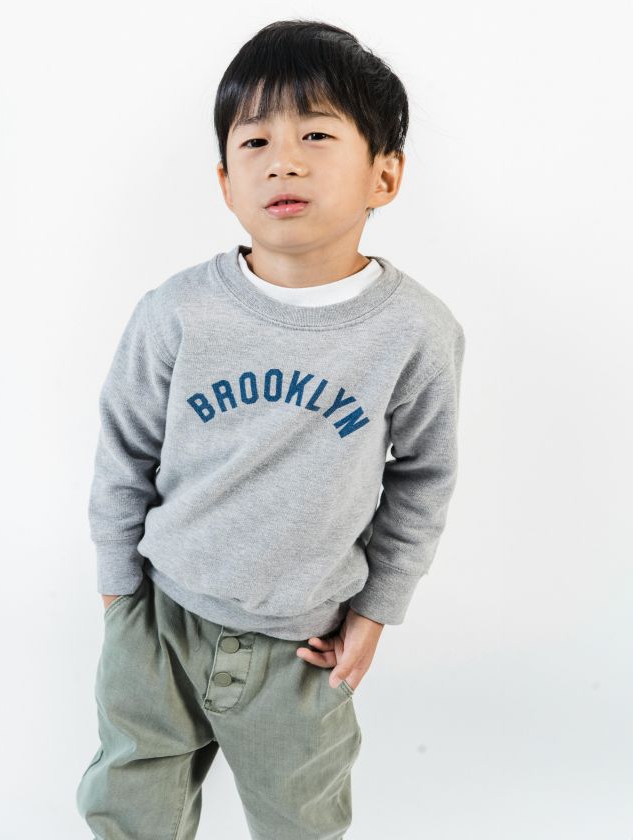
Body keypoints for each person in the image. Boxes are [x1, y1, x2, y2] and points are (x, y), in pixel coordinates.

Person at [76, 18, 465, 840]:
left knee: (302, 822)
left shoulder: (414, 332)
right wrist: (118, 600)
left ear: (385, 174)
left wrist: (376, 611)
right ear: (225, 183)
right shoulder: (178, 312)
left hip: (302, 646)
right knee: (130, 812)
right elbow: (124, 452)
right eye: (254, 142)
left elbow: (423, 478)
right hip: (159, 620)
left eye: (316, 134)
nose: (283, 161)